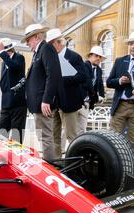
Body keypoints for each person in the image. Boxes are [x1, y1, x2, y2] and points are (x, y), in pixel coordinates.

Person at [46, 28, 88, 157]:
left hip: (69, 102)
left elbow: (82, 77)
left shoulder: (74, 57)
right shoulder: (50, 58)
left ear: (59, 42)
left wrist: (61, 79)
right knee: (55, 136)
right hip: (55, 103)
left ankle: (76, 162)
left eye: (51, 44)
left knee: (72, 135)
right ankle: (57, 162)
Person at [22, 24, 60, 162]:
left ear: (37, 37)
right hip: (38, 104)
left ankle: (50, 168)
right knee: (43, 137)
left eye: (28, 40)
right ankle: (50, 164)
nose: (27, 43)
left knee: (45, 137)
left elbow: (53, 75)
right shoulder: (38, 52)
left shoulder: (46, 49)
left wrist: (46, 100)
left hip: (43, 104)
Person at [0, 38, 27, 143]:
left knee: (16, 136)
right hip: (6, 104)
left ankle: (16, 158)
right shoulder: (5, 62)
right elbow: (4, 81)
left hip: (18, 104)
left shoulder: (19, 58)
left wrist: (1, 53)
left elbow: (14, 67)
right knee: (2, 134)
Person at [81, 46, 107, 132]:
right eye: (96, 56)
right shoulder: (84, 66)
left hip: (88, 102)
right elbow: (88, 83)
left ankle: (78, 144)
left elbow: (99, 84)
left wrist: (102, 95)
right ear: (90, 56)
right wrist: (96, 97)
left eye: (100, 57)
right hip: (79, 100)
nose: (98, 58)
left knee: (82, 127)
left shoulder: (99, 70)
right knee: (71, 128)